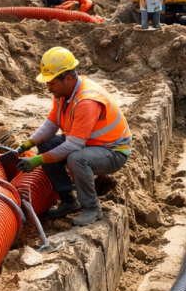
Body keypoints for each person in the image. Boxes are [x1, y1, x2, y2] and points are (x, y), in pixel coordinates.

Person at [15, 47, 131, 226]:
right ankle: (68, 200)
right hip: (89, 144)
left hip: (112, 151)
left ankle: (92, 209)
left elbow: (73, 146)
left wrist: (38, 160)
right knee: (47, 145)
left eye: (51, 83)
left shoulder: (87, 101)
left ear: (67, 78)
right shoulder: (63, 94)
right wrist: (29, 143)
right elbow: (51, 124)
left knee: (76, 159)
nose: (48, 87)